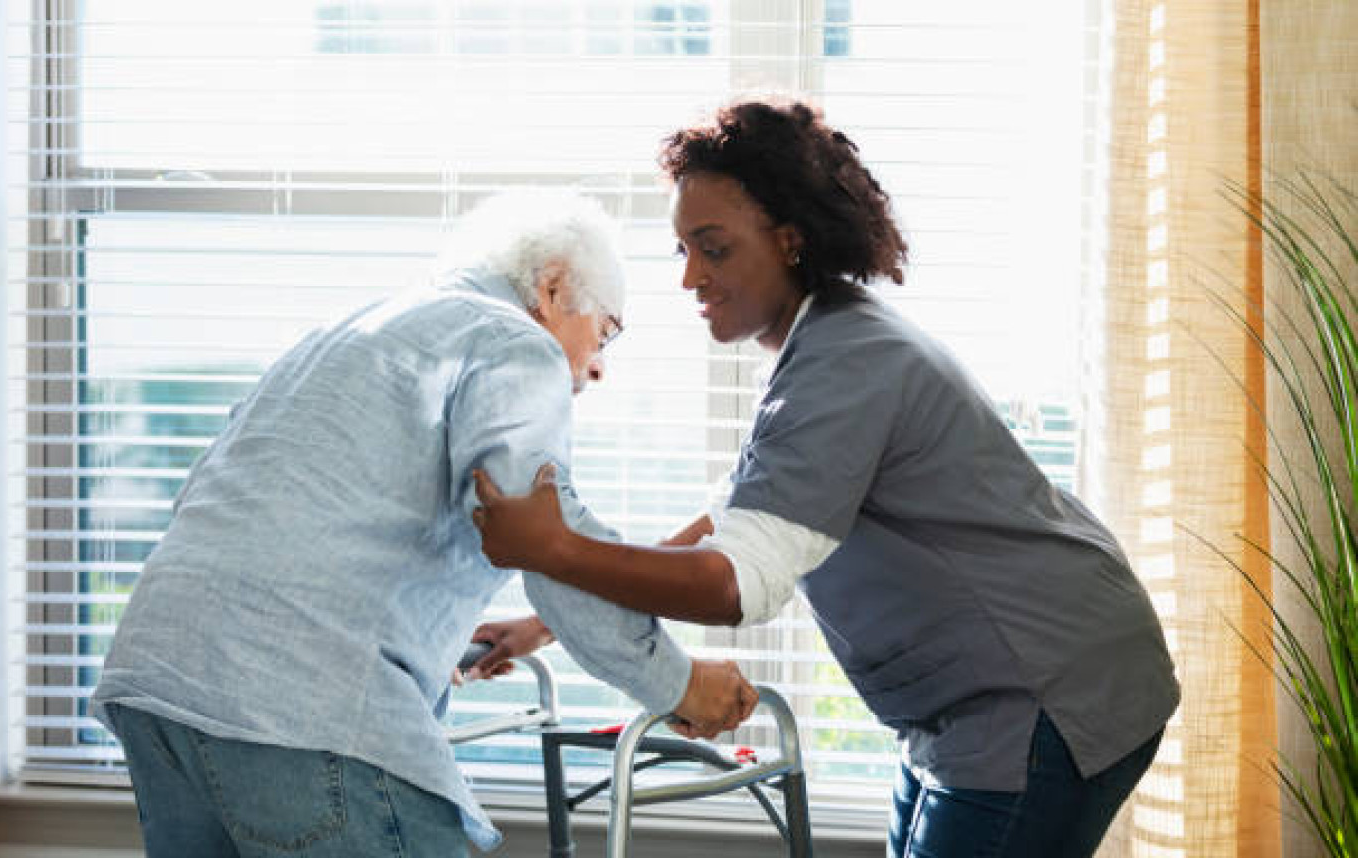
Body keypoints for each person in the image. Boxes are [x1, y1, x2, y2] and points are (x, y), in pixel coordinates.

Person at [470, 100, 1181, 858]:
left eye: (712, 249)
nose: (688, 278)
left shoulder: (846, 362)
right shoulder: (819, 347)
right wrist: (546, 622)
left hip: (1047, 693)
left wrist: (553, 552)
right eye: (682, 249)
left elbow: (733, 585)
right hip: (972, 706)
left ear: (789, 239)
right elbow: (728, 519)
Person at [90, 190, 757, 858]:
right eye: (607, 331)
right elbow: (553, 542)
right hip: (299, 710)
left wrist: (420, 631)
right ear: (553, 288)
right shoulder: (512, 342)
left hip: (161, 690)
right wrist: (679, 682)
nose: (601, 364)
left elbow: (257, 510)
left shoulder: (347, 334)